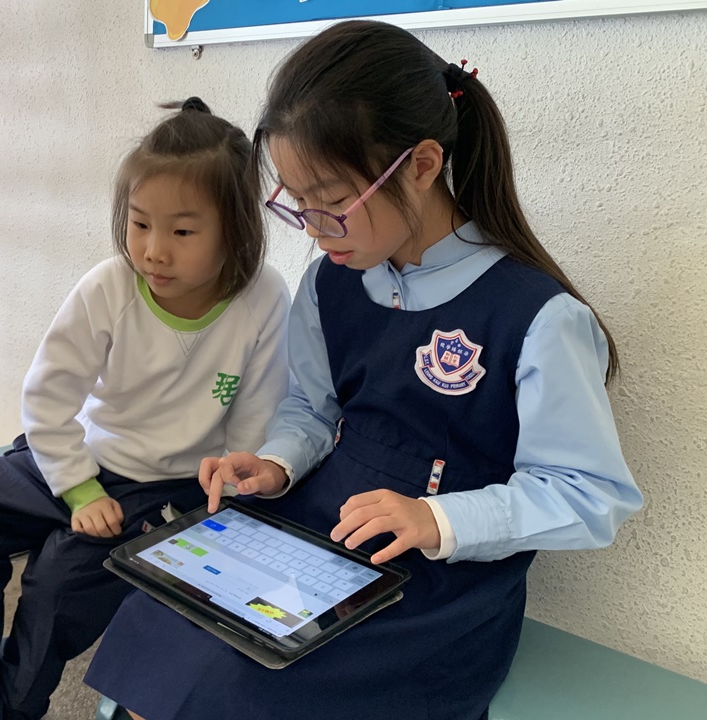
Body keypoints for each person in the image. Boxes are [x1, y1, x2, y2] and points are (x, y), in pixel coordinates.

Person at [85, 20, 644, 720]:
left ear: (422, 165)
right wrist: (277, 463)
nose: (315, 228)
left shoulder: (537, 317)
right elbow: (312, 410)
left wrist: (435, 518)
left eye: (331, 201)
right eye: (296, 202)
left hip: (435, 580)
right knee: (165, 610)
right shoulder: (331, 283)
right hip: (319, 524)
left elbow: (591, 496)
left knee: (245, 681)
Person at [0, 99, 292, 720]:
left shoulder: (263, 296)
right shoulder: (109, 286)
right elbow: (48, 398)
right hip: (73, 456)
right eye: (140, 224)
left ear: (237, 228)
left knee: (58, 584)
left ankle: (15, 708)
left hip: (164, 486)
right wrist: (79, 489)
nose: (154, 251)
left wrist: (228, 498)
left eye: (182, 232)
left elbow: (254, 417)